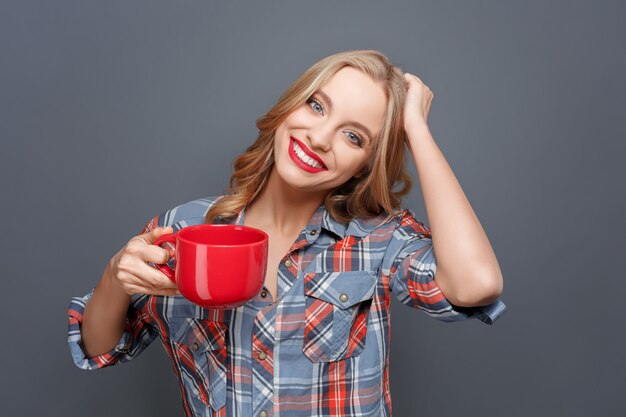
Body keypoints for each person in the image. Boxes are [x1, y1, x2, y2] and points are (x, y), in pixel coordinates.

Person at [67, 49, 506, 417]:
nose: (319, 138)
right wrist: (114, 276)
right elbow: (100, 348)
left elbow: (477, 284)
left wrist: (417, 131)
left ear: (366, 166)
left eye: (353, 137)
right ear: (289, 105)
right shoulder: (185, 229)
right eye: (316, 106)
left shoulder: (377, 240)